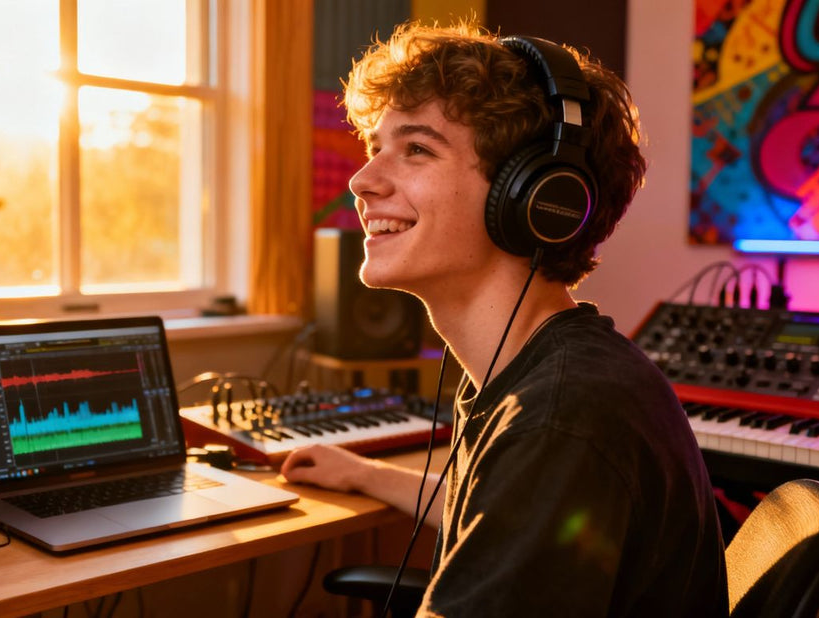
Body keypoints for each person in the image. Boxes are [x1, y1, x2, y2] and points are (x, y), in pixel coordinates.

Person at [280, 21, 729, 617]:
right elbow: (507, 516)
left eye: (416, 149)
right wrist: (364, 474)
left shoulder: (562, 417)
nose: (362, 182)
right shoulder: (533, 371)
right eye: (374, 148)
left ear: (536, 198)